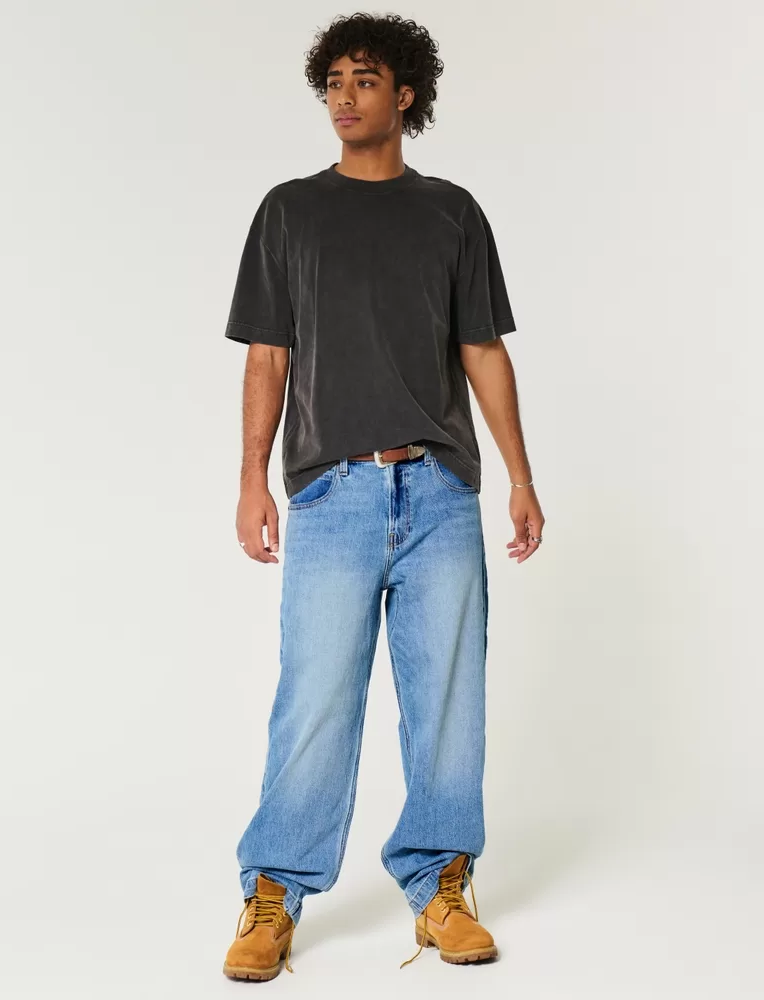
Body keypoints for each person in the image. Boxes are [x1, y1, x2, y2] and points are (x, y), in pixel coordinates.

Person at [221, 12, 544, 982]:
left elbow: (481, 349)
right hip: (332, 493)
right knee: (314, 699)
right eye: (333, 82)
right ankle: (272, 891)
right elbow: (267, 355)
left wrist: (520, 476)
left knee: (447, 703)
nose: (344, 98)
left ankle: (440, 886)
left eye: (364, 81)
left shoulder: (451, 213)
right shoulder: (289, 211)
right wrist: (251, 479)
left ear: (406, 94)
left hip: (440, 491)